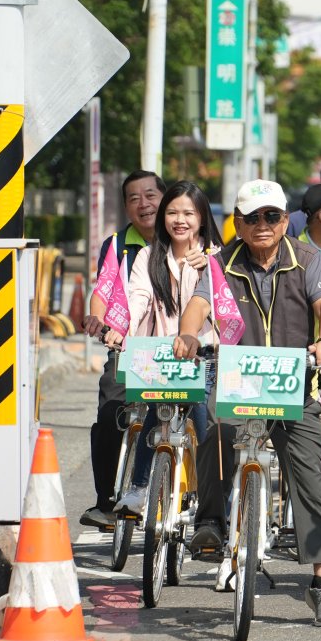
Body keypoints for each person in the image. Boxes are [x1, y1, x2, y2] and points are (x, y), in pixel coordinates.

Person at [173, 179, 321, 627]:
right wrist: (188, 335)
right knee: (215, 430)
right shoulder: (220, 264)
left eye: (271, 216)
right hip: (239, 381)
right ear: (237, 222)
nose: (262, 225)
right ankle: (210, 521)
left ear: (286, 220)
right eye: (252, 218)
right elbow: (198, 304)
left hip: (294, 382)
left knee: (310, 476)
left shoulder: (309, 259)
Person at [102, 181, 221, 513]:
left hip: (204, 357)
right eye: (172, 213)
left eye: (188, 213)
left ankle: (212, 503)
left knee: (204, 422)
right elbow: (137, 297)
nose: (179, 220)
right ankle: (140, 488)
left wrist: (207, 266)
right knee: (156, 415)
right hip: (161, 355)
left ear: (201, 217)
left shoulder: (217, 258)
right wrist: (121, 327)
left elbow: (224, 307)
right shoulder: (148, 256)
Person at [79, 170, 165, 528]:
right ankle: (105, 502)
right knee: (111, 407)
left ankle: (208, 509)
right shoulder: (116, 245)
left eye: (151, 195)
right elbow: (103, 288)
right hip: (129, 346)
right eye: (134, 198)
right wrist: (98, 321)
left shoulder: (185, 238)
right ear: (127, 208)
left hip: (178, 349)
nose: (143, 204)